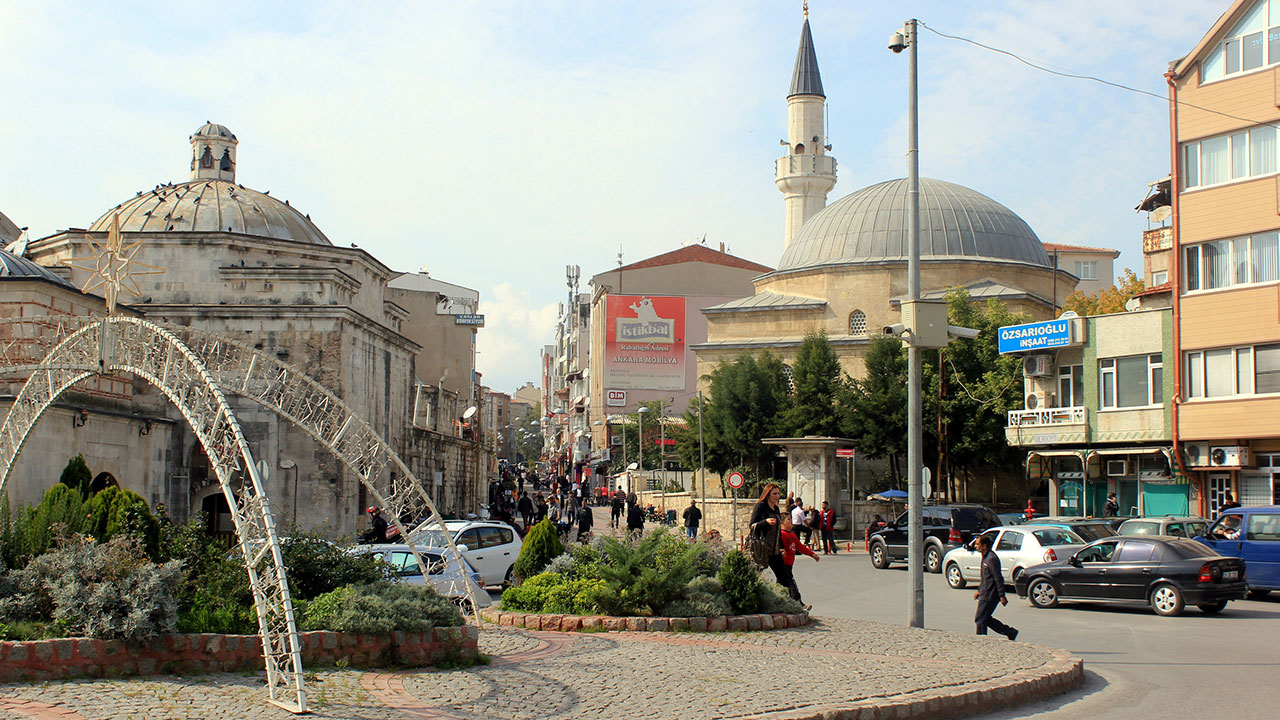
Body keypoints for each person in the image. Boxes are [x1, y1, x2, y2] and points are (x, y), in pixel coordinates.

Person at [973, 534, 1018, 641]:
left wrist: (1002, 595)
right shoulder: (985, 557)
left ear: (984, 546)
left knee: (980, 619)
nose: (975, 546)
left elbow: (998, 578)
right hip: (984, 592)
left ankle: (981, 640)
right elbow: (985, 578)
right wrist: (979, 590)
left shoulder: (991, 559)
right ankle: (1010, 632)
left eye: (977, 544)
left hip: (990, 594)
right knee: (985, 619)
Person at [748, 483, 784, 585]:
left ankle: (794, 600)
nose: (777, 496)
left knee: (784, 577)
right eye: (774, 494)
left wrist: (782, 547)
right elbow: (752, 525)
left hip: (775, 550)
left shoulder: (776, 509)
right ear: (768, 494)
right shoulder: (760, 507)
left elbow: (778, 530)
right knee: (758, 578)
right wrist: (765, 522)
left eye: (778, 494)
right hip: (762, 549)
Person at [779, 515, 818, 609]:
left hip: (789, 564)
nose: (791, 521)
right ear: (782, 522)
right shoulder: (780, 535)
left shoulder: (792, 535)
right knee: (791, 583)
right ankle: (799, 604)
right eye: (788, 519)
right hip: (782, 564)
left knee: (781, 585)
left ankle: (781, 603)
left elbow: (800, 547)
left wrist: (812, 554)